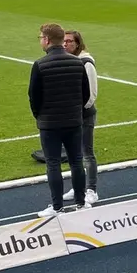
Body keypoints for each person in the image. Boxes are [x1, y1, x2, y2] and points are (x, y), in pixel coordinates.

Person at [29, 23, 89, 217]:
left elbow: (34, 96)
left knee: (53, 164)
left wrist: (40, 115)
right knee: (76, 161)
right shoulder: (77, 62)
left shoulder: (40, 65)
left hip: (50, 123)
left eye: (40, 37)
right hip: (73, 120)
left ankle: (57, 207)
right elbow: (85, 94)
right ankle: (81, 202)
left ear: (47, 40)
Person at [61, 29, 99, 206]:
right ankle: (78, 187)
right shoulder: (69, 61)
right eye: (64, 41)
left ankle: (91, 190)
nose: (65, 44)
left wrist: (79, 111)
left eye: (69, 41)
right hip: (71, 117)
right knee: (73, 155)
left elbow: (91, 95)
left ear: (78, 43)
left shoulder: (86, 62)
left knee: (87, 153)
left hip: (84, 116)